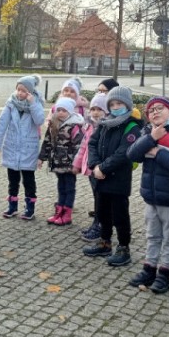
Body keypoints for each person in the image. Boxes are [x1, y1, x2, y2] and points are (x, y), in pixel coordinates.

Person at [126, 96, 169, 294]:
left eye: (159, 108)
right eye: (151, 111)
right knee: (152, 235)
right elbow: (132, 154)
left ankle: (164, 274)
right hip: (151, 195)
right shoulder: (148, 132)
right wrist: (151, 139)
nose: (155, 112)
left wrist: (157, 151)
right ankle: (149, 268)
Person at [82, 86, 142, 266]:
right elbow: (92, 143)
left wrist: (104, 168)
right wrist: (94, 165)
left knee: (120, 215)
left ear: (127, 104)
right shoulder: (105, 123)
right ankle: (104, 241)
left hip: (118, 178)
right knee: (102, 211)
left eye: (120, 103)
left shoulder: (131, 127)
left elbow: (124, 153)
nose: (116, 107)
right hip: (100, 176)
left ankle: (124, 247)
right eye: (113, 104)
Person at [0, 75, 46, 220]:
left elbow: (39, 120)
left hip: (29, 148)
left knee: (28, 180)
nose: (20, 93)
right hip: (12, 147)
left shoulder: (37, 103)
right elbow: (2, 125)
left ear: (30, 92)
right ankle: (12, 205)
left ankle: (30, 207)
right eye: (18, 90)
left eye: (24, 91)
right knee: (12, 180)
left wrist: (33, 103)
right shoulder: (10, 104)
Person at [38, 96, 85, 226]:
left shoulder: (75, 126)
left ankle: (67, 213)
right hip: (57, 163)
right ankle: (59, 211)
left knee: (69, 188)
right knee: (61, 187)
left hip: (69, 164)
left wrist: (77, 164)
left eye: (64, 110)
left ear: (69, 111)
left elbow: (78, 146)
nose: (60, 113)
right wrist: (41, 158)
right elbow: (47, 142)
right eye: (58, 110)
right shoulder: (53, 124)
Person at [75, 92, 108, 241]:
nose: (95, 112)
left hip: (100, 169)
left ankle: (100, 225)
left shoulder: (106, 127)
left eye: (99, 109)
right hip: (90, 168)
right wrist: (77, 163)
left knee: (101, 198)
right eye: (93, 108)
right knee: (96, 196)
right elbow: (84, 146)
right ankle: (96, 223)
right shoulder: (88, 126)